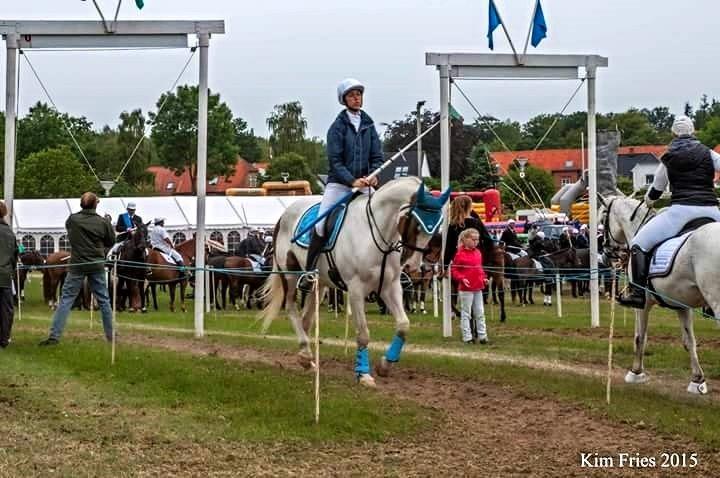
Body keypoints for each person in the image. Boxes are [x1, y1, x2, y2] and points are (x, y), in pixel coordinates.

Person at [619, 115, 720, 308]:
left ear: (673, 133)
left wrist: (648, 200)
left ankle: (638, 294)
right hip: (712, 211)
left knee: (639, 244)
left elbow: (657, 188)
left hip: (680, 213)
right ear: (693, 131)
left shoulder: (668, 156)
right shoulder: (709, 154)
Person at [301, 78, 383, 288]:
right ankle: (309, 272)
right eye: (352, 95)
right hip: (339, 184)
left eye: (359, 94)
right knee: (320, 224)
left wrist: (374, 175)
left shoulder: (369, 124)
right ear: (344, 100)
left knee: (384, 216)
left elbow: (377, 157)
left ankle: (387, 268)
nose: (357, 98)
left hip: (365, 183)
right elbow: (335, 162)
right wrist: (352, 180)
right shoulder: (337, 128)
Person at [39, 193, 115, 346]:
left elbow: (70, 231)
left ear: (81, 204)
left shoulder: (73, 219)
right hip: (96, 264)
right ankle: (110, 335)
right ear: (95, 205)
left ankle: (54, 336)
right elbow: (111, 241)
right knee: (104, 300)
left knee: (66, 300)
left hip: (77, 264)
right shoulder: (103, 222)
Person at [450, 228, 488, 344]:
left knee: (480, 312)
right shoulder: (459, 254)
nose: (476, 242)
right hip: (466, 288)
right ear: (466, 240)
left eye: (477, 240)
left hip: (478, 287)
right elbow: (454, 270)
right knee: (466, 313)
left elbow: (479, 269)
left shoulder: (478, 252)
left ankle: (482, 336)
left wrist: (484, 278)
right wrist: (462, 279)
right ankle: (467, 337)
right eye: (473, 239)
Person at [443, 195, 494, 269]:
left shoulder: (453, 225)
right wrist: (485, 259)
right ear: (469, 208)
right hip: (476, 260)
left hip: (460, 261)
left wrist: (445, 265)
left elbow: (449, 247)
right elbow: (489, 241)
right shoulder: (476, 223)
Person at [0, 201, 18, 348]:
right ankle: (4, 339)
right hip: (5, 275)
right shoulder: (10, 233)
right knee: (6, 310)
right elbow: (14, 256)